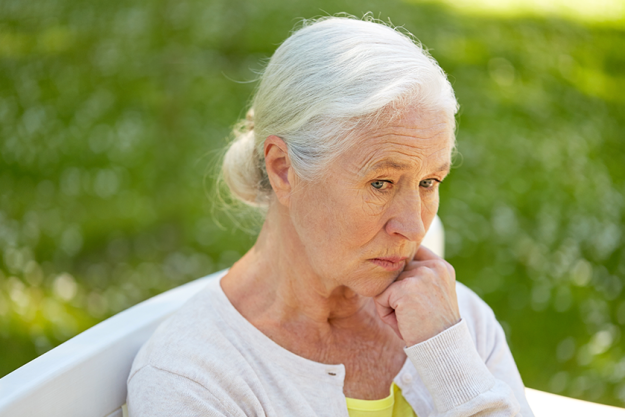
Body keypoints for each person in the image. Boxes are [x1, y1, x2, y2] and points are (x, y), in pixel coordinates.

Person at [127, 16, 534, 417]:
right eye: (382, 183)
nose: (413, 228)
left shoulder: (451, 323)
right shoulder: (194, 382)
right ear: (284, 168)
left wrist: (449, 359)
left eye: (429, 182)